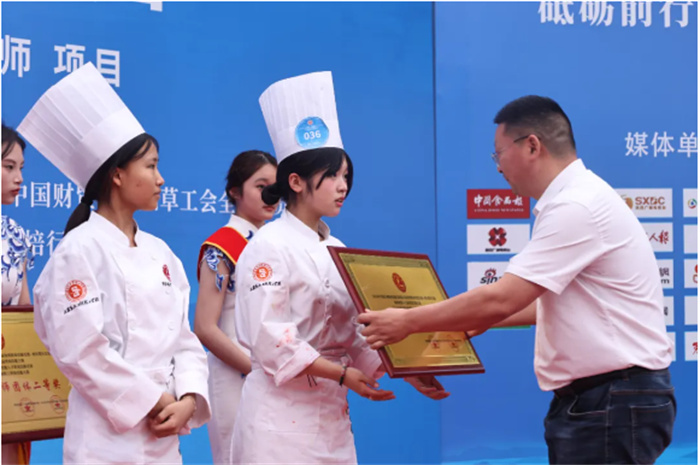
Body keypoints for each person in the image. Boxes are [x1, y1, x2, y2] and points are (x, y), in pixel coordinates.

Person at [359, 95, 675, 464]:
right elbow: (545, 303)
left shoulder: (576, 207)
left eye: (498, 154)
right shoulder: (578, 199)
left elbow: (502, 298)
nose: (497, 168)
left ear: (532, 146)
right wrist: (466, 322)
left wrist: (407, 321)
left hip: (610, 400)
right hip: (609, 398)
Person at [230, 71, 448, 464]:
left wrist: (405, 369)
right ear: (296, 181)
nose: (343, 185)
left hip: (332, 417)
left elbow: (354, 332)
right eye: (331, 175)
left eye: (346, 175)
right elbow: (271, 339)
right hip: (278, 419)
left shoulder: (337, 249)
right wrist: (343, 375)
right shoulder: (267, 246)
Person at [18, 63, 211, 464]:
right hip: (105, 439)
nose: (161, 179)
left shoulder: (161, 252)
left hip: (164, 434)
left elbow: (184, 338)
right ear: (118, 174)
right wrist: (154, 398)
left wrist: (189, 398)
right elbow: (81, 352)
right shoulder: (78, 251)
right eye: (151, 166)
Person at [193, 150, 278, 465]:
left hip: (277, 376)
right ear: (234, 191)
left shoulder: (278, 245)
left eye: (276, 187)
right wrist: (255, 370)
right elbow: (205, 327)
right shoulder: (222, 247)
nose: (271, 195)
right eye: (261, 186)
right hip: (235, 376)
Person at [1, 123, 34, 464]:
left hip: (7, 380)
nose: (19, 178)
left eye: (21, 168)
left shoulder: (15, 235)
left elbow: (24, 310)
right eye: (8, 166)